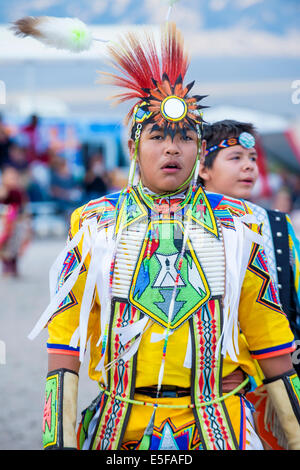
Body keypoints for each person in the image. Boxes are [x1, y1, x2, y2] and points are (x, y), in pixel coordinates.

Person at [20, 21, 300, 451]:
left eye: (186, 137)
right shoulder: (94, 223)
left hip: (217, 424)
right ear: (135, 147)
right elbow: (66, 338)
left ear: (198, 150)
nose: (173, 149)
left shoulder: (238, 225)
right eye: (158, 136)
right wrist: (58, 439)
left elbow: (269, 339)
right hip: (120, 426)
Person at [200, 119, 300, 448]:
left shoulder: (276, 225)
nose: (248, 166)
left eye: (252, 158)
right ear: (203, 167)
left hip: (275, 373)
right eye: (236, 158)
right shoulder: (185, 226)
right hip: (213, 381)